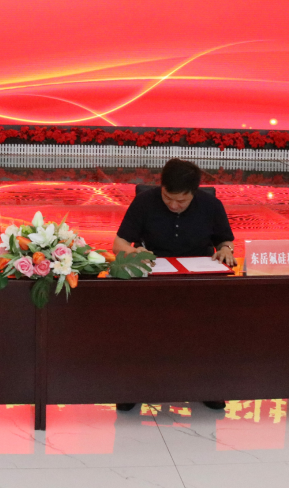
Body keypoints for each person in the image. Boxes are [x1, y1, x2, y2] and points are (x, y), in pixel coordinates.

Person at [112, 158, 236, 413]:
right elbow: (119, 244)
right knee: (135, 325)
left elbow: (225, 241)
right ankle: (133, 386)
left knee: (212, 325)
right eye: (168, 197)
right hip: (154, 278)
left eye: (182, 201)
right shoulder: (144, 202)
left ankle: (208, 387)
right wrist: (136, 254)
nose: (174, 205)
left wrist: (225, 250)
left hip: (198, 281)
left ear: (194, 192)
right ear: (161, 186)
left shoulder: (211, 205)